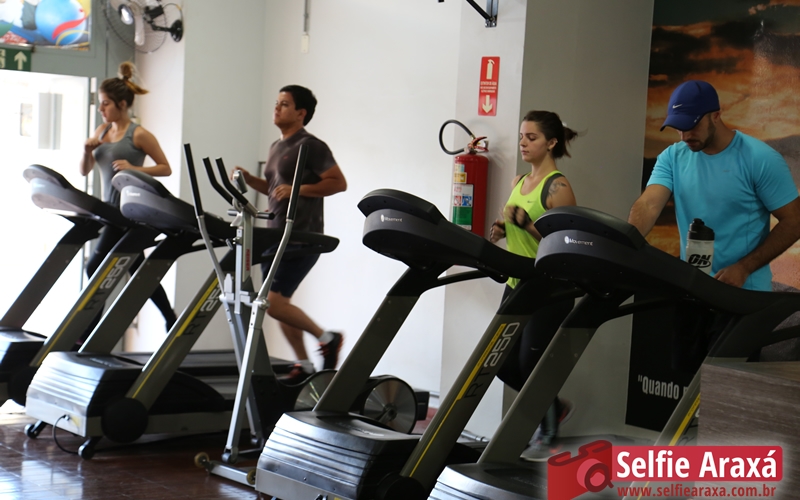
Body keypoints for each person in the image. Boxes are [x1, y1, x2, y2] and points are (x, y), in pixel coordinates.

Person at [628, 80, 800, 368]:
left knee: (725, 390)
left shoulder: (759, 159)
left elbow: (794, 221)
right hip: (693, 292)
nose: (685, 135)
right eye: (678, 127)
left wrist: (743, 267)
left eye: (692, 126)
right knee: (687, 385)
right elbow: (649, 204)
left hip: (741, 296)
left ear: (716, 115)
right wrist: (628, 244)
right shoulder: (672, 157)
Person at [233, 85, 347, 375]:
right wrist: (250, 180)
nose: (277, 108)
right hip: (276, 236)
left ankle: (327, 338)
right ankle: (305, 364)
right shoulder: (277, 146)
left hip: (301, 238)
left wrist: (299, 189)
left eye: (284, 104)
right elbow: (277, 190)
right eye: (277, 103)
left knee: (273, 304)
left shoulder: (312, 145)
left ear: (300, 113)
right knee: (281, 307)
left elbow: (338, 183)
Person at [489, 110, 579, 457]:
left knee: (530, 364)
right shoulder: (518, 182)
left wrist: (527, 224)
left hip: (549, 287)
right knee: (499, 361)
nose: (523, 143)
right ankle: (553, 408)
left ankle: (549, 430)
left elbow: (566, 244)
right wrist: (502, 229)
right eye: (522, 137)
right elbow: (513, 223)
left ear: (551, 142)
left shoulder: (559, 187)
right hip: (517, 282)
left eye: (532, 137)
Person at [80, 61, 177, 339]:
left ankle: (88, 330)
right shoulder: (101, 131)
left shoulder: (139, 134)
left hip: (129, 213)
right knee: (138, 271)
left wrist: (135, 168)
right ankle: (171, 319)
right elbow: (84, 170)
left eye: (106, 103)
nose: (101, 109)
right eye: (100, 104)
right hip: (108, 211)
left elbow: (165, 168)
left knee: (94, 266)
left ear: (121, 104)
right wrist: (86, 151)